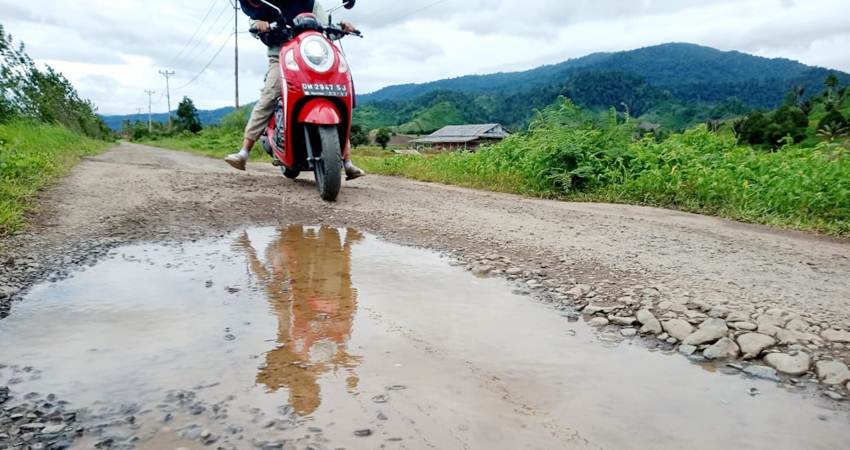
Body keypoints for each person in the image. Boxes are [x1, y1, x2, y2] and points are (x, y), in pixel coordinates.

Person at [226, 0, 366, 180]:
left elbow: (325, 28)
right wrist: (259, 24)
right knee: (270, 94)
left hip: (313, 57)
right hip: (281, 56)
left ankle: (347, 161)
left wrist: (341, 28)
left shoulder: (312, 5)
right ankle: (244, 151)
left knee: (338, 94)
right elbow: (254, 21)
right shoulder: (269, 4)